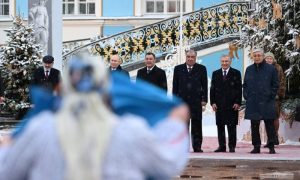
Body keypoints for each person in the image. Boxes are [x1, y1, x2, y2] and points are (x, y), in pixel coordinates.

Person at [0, 57, 190, 180]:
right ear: (109, 92)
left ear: (64, 90)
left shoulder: (40, 129)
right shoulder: (130, 131)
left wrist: (8, 146)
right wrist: (175, 122)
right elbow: (167, 163)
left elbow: (7, 171)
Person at [243, 48, 279, 154]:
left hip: (267, 101)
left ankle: (271, 146)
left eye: (259, 55)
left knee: (269, 125)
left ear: (263, 56)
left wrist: (271, 95)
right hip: (253, 101)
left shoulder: (271, 69)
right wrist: (246, 95)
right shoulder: (249, 69)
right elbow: (245, 84)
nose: (257, 57)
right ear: (253, 57)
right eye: (255, 56)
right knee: (254, 125)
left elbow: (275, 84)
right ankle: (256, 146)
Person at [173, 49, 208, 152]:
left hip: (196, 102)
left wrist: (204, 99)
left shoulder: (201, 69)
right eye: (188, 57)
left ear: (195, 58)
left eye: (192, 57)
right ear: (186, 57)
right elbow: (175, 86)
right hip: (182, 102)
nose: (190, 59)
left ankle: (197, 147)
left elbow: (204, 85)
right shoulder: (178, 69)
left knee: (197, 125)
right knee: (183, 126)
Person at [210, 55, 242, 153]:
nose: (224, 63)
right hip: (219, 105)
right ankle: (222, 146)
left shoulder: (236, 73)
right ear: (220, 62)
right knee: (220, 127)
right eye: (223, 61)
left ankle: (232, 146)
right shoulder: (215, 73)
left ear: (230, 62)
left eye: (226, 61)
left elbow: (238, 89)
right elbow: (212, 89)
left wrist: (237, 102)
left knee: (231, 127)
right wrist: (213, 102)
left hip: (232, 105)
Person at [264, 52, 286, 146]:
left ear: (273, 59)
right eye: (267, 58)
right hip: (264, 97)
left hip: (275, 97)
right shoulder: (262, 68)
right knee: (266, 118)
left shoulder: (278, 68)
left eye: (270, 58)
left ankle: (274, 136)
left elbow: (281, 82)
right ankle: (269, 139)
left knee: (274, 117)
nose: (269, 60)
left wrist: (278, 94)